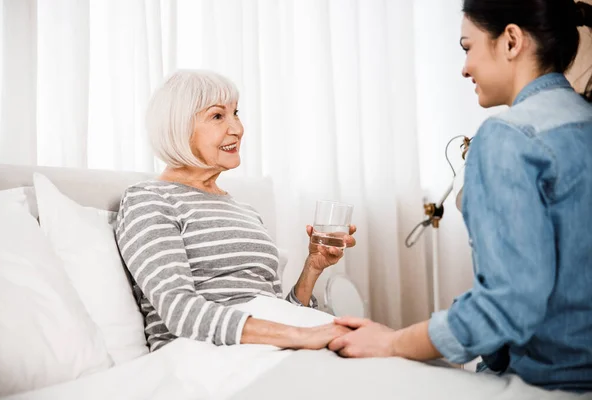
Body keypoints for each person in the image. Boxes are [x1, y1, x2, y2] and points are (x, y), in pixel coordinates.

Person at [328, 0, 592, 393]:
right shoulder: (581, 118)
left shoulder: (508, 137)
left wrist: (392, 341)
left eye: (467, 47)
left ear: (511, 40)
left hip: (552, 381)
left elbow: (508, 305)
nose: (464, 67)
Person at [115, 70, 356, 352]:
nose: (238, 129)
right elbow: (179, 312)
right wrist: (302, 336)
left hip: (266, 347)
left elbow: (274, 311)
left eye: (236, 113)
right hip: (203, 358)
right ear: (178, 127)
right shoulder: (148, 200)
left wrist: (312, 268)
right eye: (218, 116)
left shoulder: (245, 211)